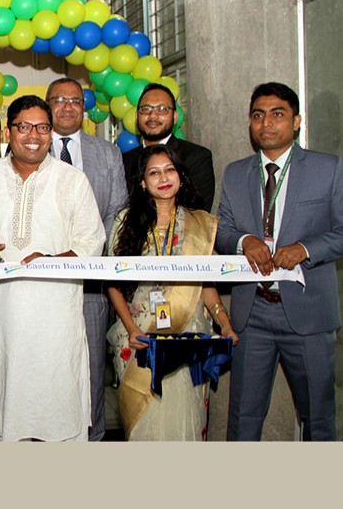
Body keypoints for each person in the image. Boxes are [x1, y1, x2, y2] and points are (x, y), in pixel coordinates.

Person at [0, 94, 105, 441]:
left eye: (43, 127)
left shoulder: (73, 180)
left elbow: (92, 244)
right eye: (24, 126)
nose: (34, 135)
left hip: (57, 316)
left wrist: (52, 263)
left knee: (60, 403)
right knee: (11, 407)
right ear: (8, 132)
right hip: (6, 315)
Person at [216, 82, 343, 441]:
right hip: (251, 314)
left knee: (318, 419)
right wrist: (244, 240)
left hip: (309, 315)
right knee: (243, 419)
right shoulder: (236, 172)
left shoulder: (328, 168)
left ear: (296, 121)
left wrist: (305, 248)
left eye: (277, 114)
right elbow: (222, 230)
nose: (266, 123)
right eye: (258, 115)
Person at [106, 144, 237, 441]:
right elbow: (111, 282)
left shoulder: (200, 223)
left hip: (187, 337)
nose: (163, 178)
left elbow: (206, 284)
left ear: (181, 176)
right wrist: (130, 328)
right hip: (139, 336)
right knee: (144, 423)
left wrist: (224, 322)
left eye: (169, 170)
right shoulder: (126, 222)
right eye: (154, 172)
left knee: (184, 420)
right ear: (142, 181)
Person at [46, 77, 128, 441]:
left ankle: (91, 440)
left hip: (91, 282)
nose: (67, 107)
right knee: (47, 369)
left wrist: (86, 254)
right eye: (59, 101)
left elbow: (117, 209)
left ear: (85, 107)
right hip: (41, 283)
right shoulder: (27, 148)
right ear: (47, 106)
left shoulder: (107, 153)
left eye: (75, 101)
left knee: (92, 369)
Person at [122, 84, 215, 211]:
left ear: (175, 116)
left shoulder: (196, 157)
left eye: (162, 109)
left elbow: (197, 212)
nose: (153, 116)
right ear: (137, 116)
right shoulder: (124, 161)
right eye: (146, 109)